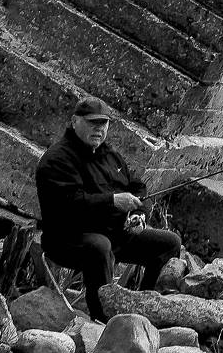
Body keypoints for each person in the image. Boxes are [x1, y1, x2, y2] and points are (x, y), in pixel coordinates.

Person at [35, 97, 182, 322]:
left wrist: (138, 214)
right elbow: (70, 205)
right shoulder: (57, 159)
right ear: (74, 121)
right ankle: (104, 318)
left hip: (115, 232)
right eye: (92, 122)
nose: (99, 128)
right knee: (99, 246)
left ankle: (145, 307)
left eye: (103, 123)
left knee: (170, 243)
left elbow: (138, 187)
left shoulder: (110, 155)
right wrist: (112, 201)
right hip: (67, 238)